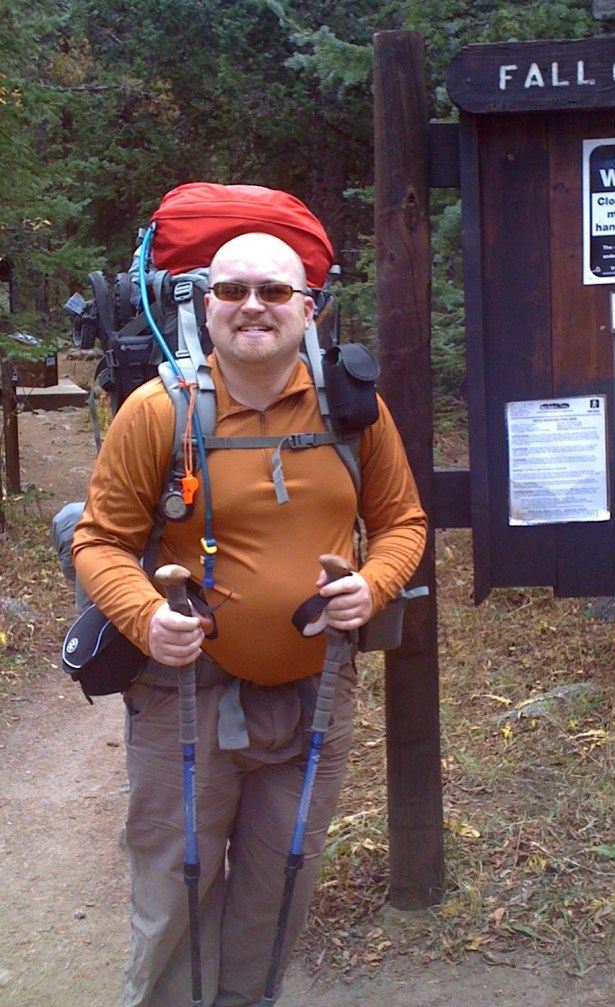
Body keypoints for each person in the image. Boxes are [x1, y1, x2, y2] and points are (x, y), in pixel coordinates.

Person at [71, 225, 427, 1007]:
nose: (252, 306)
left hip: (316, 697)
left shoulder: (354, 410)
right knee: (174, 893)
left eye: (274, 291)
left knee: (279, 886)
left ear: (310, 309)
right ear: (204, 307)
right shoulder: (156, 411)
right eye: (231, 291)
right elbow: (99, 542)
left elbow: (402, 521)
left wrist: (374, 582)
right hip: (183, 702)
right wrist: (144, 617)